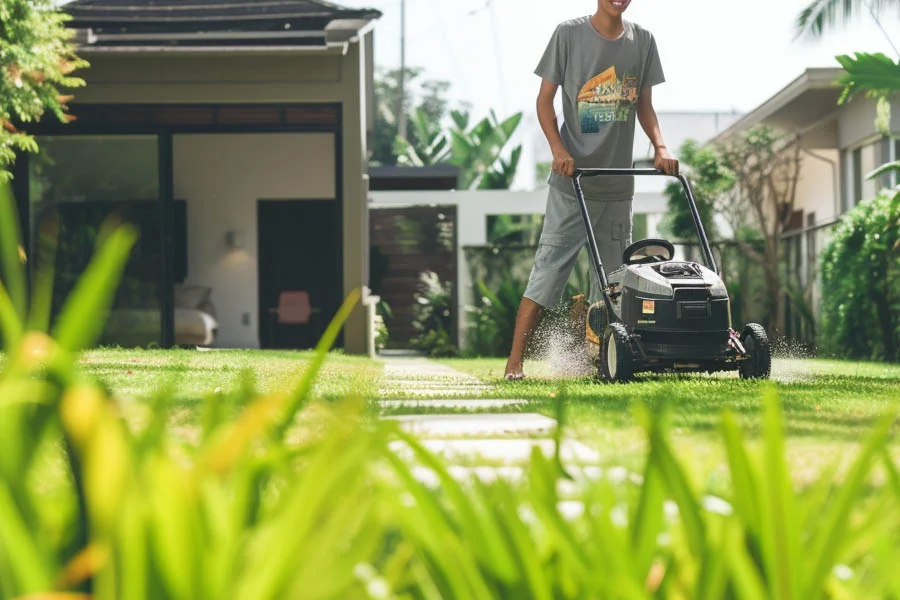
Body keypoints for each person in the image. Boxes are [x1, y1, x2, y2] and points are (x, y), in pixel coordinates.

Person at [504, 0, 679, 380]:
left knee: (613, 284)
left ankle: (603, 361)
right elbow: (544, 101)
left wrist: (660, 147)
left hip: (617, 186)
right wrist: (558, 149)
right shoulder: (568, 35)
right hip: (573, 184)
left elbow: (644, 106)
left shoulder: (643, 41)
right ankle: (515, 363)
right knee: (548, 271)